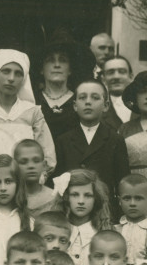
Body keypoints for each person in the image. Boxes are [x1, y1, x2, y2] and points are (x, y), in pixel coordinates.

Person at [52, 79, 130, 217]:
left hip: (104, 211)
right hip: (72, 210)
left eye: (95, 97)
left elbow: (122, 182)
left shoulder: (115, 139)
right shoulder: (63, 140)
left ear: (106, 106)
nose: (88, 102)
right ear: (75, 106)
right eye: (82, 97)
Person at [36, 32, 97, 142]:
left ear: (70, 70)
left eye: (63, 60)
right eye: (50, 60)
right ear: (41, 69)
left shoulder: (81, 100)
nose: (57, 65)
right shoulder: (33, 99)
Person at [56, 169, 112, 265]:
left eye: (88, 195)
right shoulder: (56, 232)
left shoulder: (102, 233)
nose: (81, 201)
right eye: (75, 195)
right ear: (66, 197)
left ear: (96, 199)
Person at [14, 139, 60, 218]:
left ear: (44, 165)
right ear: (15, 166)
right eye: (24, 162)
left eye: (36, 161)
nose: (31, 166)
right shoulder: (10, 197)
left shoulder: (54, 198)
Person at [102, 56, 134, 125]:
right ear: (103, 79)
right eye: (111, 72)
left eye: (122, 72)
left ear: (131, 77)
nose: (116, 77)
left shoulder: (142, 104)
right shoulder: (99, 108)